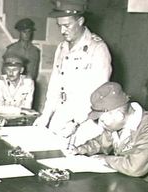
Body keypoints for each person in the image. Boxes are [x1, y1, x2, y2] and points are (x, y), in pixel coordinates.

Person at [70, 82, 148, 192]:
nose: (100, 125)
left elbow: (135, 167)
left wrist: (103, 159)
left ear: (119, 116)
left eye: (102, 121)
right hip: (131, 183)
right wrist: (80, 149)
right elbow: (101, 142)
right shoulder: (118, 124)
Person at [33, 0, 112, 141]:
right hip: (60, 115)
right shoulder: (62, 48)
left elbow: (98, 94)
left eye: (67, 26)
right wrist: (46, 115)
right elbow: (55, 86)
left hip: (84, 119)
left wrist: (76, 122)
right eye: (60, 26)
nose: (62, 31)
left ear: (80, 21)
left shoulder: (97, 49)